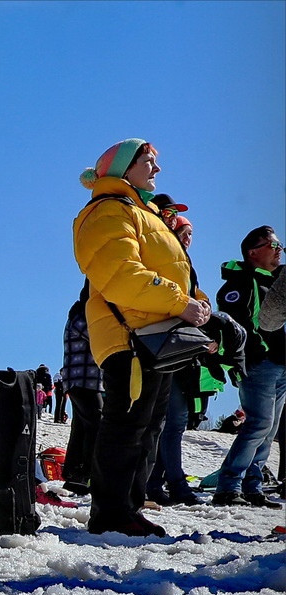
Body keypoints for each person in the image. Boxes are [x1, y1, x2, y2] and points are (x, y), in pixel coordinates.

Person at [73, 138, 213, 537]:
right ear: (123, 168)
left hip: (156, 334)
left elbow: (178, 269)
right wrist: (181, 303)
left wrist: (196, 304)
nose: (157, 168)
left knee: (148, 424)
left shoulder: (142, 212)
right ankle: (111, 512)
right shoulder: (106, 211)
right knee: (128, 423)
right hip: (129, 336)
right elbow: (121, 275)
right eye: (148, 161)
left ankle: (129, 507)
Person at [146, 211, 247, 507]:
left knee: (172, 422)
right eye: (183, 232)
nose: (188, 239)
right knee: (171, 422)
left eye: (191, 234)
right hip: (165, 347)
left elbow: (196, 302)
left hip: (180, 351)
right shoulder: (165, 259)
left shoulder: (182, 263)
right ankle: (173, 485)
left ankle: (157, 482)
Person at [212, 226, 286, 507]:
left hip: (280, 364)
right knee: (257, 424)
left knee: (269, 429)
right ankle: (228, 487)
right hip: (259, 365)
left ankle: (253, 487)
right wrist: (248, 356)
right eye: (273, 244)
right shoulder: (238, 284)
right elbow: (235, 327)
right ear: (253, 251)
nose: (279, 249)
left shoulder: (275, 282)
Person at [60, 289, 102, 497]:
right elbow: (99, 339)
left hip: (81, 379)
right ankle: (86, 474)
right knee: (95, 425)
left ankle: (75, 476)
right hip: (84, 379)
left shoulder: (78, 314)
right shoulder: (84, 316)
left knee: (82, 427)